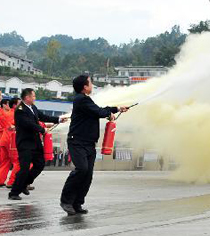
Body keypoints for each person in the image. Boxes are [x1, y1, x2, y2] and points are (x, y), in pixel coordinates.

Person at [60, 74, 127, 215]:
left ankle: (77, 203)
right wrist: (110, 112)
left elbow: (100, 110)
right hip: (77, 142)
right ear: (85, 87)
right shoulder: (81, 100)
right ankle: (66, 201)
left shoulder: (86, 100)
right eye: (90, 83)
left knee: (88, 175)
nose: (92, 85)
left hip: (89, 143)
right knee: (82, 169)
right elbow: (99, 111)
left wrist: (117, 109)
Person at [8, 89, 66, 201]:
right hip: (25, 143)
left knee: (40, 164)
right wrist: (42, 129)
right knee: (24, 168)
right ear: (27, 98)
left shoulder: (33, 107)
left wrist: (58, 119)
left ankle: (25, 183)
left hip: (35, 143)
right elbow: (28, 124)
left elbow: (43, 116)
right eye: (33, 96)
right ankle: (14, 192)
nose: (35, 98)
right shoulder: (20, 110)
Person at [0, 98, 19, 188]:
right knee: (18, 162)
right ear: (14, 105)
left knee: (5, 161)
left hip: (3, 140)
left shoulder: (7, 113)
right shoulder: (15, 114)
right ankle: (12, 181)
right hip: (11, 141)